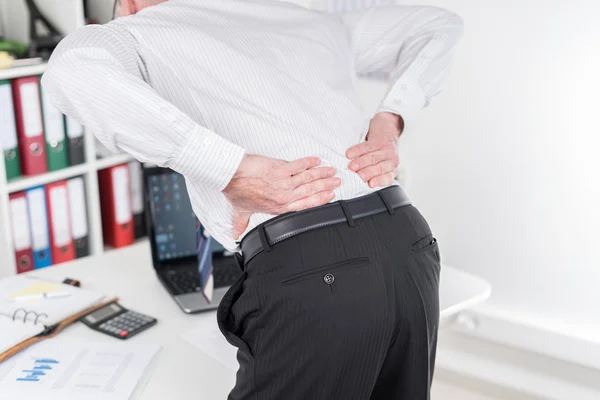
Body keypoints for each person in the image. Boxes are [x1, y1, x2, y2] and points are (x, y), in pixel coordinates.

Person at [42, 0, 463, 398]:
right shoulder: (310, 19)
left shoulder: (140, 29)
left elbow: (71, 68)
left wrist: (231, 171)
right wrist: (390, 118)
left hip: (314, 269)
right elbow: (438, 25)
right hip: (407, 244)